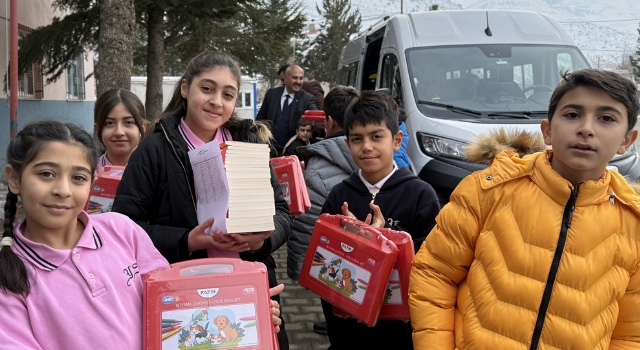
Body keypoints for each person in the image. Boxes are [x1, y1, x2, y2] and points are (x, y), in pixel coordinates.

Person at [408, 69, 640, 349]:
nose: (586, 128)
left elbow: (630, 333)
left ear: (627, 140)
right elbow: (434, 274)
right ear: (548, 131)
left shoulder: (633, 223)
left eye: (606, 118)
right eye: (572, 114)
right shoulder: (488, 190)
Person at [111, 51, 291, 349]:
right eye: (207, 88)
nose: (216, 101)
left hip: (246, 284)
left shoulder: (246, 143)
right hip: (182, 290)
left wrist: (260, 242)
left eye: (228, 94)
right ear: (185, 89)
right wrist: (188, 240)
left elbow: (282, 212)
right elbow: (125, 227)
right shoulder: (154, 149)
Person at [320, 90, 441, 349]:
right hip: (348, 330)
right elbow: (323, 263)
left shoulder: (421, 195)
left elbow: (433, 264)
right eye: (357, 139)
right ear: (347, 144)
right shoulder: (339, 195)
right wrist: (346, 239)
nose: (367, 146)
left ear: (397, 140)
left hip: (400, 332)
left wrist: (380, 243)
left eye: (377, 136)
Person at [286, 86, 360, 336]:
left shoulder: (316, 167)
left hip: (332, 265)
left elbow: (306, 223)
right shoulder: (378, 155)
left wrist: (301, 269)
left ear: (328, 120)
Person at [257, 65, 317, 155]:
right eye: (295, 78)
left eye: (301, 78)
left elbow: (315, 120)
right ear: (285, 77)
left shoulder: (307, 99)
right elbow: (260, 119)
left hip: (291, 152)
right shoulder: (272, 94)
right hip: (268, 151)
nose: (298, 82)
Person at [93, 88, 147, 171]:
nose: (119, 132)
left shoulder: (156, 172)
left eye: (128, 122)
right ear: (98, 129)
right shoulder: (88, 171)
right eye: (109, 123)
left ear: (142, 128)